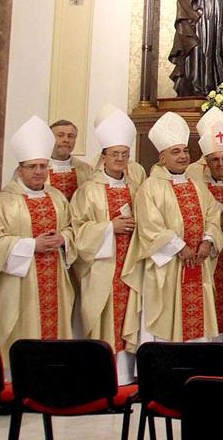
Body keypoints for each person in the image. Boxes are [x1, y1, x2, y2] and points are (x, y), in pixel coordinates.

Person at [0, 118, 77, 367]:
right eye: (32, 166)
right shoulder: (4, 201)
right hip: (19, 284)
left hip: (54, 277)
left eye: (43, 166)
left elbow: (71, 228)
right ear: (20, 169)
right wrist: (31, 245)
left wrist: (63, 238)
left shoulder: (57, 197)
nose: (38, 172)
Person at [131, 112, 223, 343]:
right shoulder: (150, 187)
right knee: (167, 321)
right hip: (169, 267)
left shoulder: (196, 184)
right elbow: (149, 227)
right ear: (162, 157)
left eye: (185, 151)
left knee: (197, 322)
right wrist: (180, 247)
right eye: (175, 152)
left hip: (198, 262)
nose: (183, 156)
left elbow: (212, 213)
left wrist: (208, 241)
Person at [70, 111, 142, 383]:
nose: (120, 159)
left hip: (131, 264)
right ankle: (102, 373)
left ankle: (127, 373)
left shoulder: (136, 187)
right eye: (115, 154)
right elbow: (78, 229)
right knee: (104, 317)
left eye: (124, 154)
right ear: (103, 156)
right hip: (102, 266)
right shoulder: (89, 189)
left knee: (129, 317)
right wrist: (110, 228)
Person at [185, 108, 223, 341]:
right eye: (215, 159)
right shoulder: (191, 173)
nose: (220, 164)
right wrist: (216, 218)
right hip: (204, 248)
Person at [47, 119, 92, 201]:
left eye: (70, 136)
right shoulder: (38, 169)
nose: (66, 140)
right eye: (60, 135)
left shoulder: (86, 169)